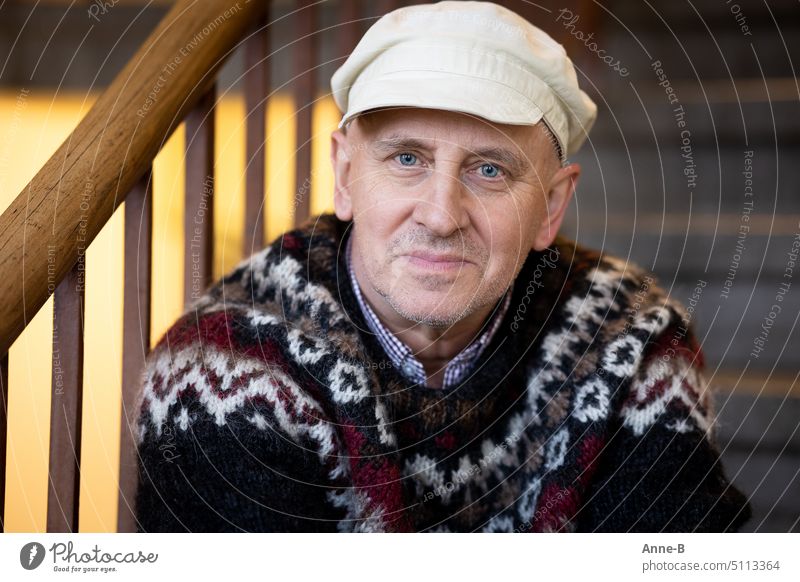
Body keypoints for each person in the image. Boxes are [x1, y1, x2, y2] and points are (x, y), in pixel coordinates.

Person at [133, 1, 751, 532]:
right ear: (346, 175)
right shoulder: (223, 370)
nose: (440, 214)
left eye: (490, 170)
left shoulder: (632, 340)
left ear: (551, 206)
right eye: (407, 158)